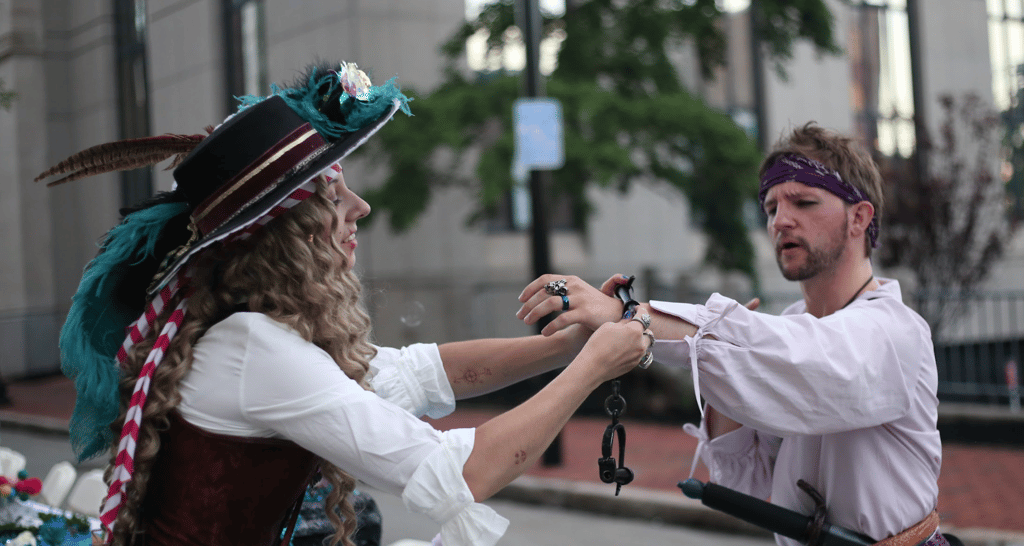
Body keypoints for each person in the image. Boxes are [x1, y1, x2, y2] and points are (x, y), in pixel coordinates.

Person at [38, 60, 650, 546]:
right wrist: (595, 364)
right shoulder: (253, 348)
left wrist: (569, 347)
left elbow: (418, 371)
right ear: (288, 231)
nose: (361, 208)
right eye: (334, 195)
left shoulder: (247, 336)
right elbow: (459, 475)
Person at [516, 123, 947, 546]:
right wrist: (731, 367)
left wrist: (628, 313)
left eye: (804, 202)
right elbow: (745, 480)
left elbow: (810, 362)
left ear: (859, 217)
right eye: (772, 207)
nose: (781, 221)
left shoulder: (894, 331)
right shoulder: (785, 328)